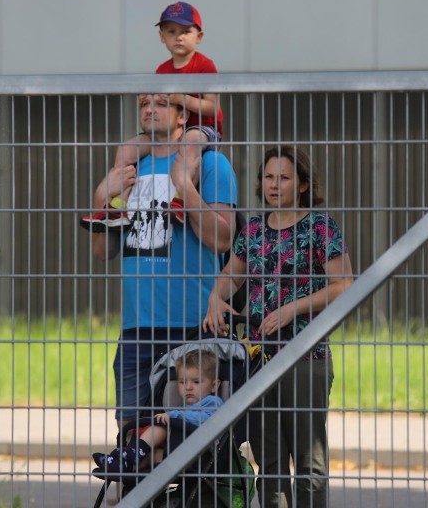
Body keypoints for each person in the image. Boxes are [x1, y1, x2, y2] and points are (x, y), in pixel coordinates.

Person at [204, 145, 353, 508]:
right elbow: (232, 276)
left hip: (306, 358)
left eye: (284, 178)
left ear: (302, 184)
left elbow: (344, 285)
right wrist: (215, 297)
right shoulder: (253, 229)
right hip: (259, 361)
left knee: (309, 463)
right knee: (268, 464)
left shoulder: (320, 227)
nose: (274, 185)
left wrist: (292, 310)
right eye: (269, 177)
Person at [87, 93, 237, 430]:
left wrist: (184, 185)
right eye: (143, 104)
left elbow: (223, 238)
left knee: (189, 440)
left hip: (191, 326)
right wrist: (103, 196)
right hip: (136, 327)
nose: (150, 109)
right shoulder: (128, 168)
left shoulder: (211, 164)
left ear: (183, 116)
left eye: (160, 103)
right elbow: (102, 251)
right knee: (131, 441)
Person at [82, 1, 224, 231]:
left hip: (203, 130)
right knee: (126, 149)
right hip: (169, 132)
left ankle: (180, 200)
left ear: (199, 36)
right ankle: (119, 205)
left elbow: (213, 108)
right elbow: (159, 101)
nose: (178, 37)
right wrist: (147, 98)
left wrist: (181, 99)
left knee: (190, 142)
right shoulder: (162, 70)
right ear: (161, 37)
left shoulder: (205, 65)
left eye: (186, 31)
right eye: (171, 31)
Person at [95, 350, 223, 474]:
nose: (188, 387)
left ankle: (133, 453)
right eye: (182, 382)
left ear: (214, 385)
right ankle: (123, 465)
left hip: (199, 452)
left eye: (196, 382)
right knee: (151, 448)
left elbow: (207, 419)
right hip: (173, 452)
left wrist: (174, 416)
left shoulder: (213, 402)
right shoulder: (183, 407)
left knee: (161, 426)